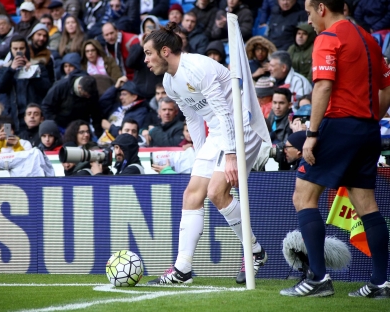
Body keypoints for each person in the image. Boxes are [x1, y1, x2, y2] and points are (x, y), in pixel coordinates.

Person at [143, 22, 271, 285]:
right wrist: (202, 156)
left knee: (215, 192)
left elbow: (225, 112)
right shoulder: (169, 81)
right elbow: (193, 117)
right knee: (192, 194)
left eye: (148, 53)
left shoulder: (198, 68)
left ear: (165, 51)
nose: (145, 60)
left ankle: (255, 252)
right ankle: (183, 270)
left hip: (241, 125)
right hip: (217, 133)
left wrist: (232, 155)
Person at [280, 0, 390, 298]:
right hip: (368, 130)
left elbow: (323, 87)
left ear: (321, 8)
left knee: (303, 196)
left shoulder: (328, 38)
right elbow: (386, 87)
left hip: (337, 126)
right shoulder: (370, 38)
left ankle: (318, 278)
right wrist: (370, 119)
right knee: (367, 206)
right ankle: (381, 283)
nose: (308, 18)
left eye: (308, 11)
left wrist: (312, 134)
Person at [41, 71, 102, 136]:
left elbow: (96, 113)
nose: (88, 97)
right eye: (86, 95)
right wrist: (54, 125)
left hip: (81, 125)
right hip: (61, 124)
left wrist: (98, 133)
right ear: (79, 88)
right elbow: (46, 106)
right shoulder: (60, 87)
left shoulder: (92, 92)